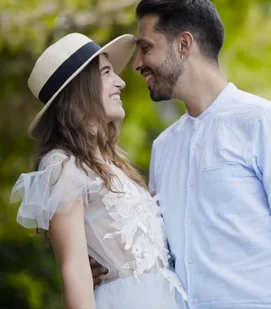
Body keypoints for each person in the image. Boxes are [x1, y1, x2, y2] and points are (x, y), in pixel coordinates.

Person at [91, 0, 271, 309]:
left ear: (184, 44)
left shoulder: (264, 122)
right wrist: (110, 264)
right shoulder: (163, 147)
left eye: (146, 48)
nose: (137, 64)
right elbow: (159, 251)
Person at [10, 32, 188, 309]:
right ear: (81, 87)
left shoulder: (113, 162)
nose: (121, 81)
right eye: (107, 73)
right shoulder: (63, 165)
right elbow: (75, 270)